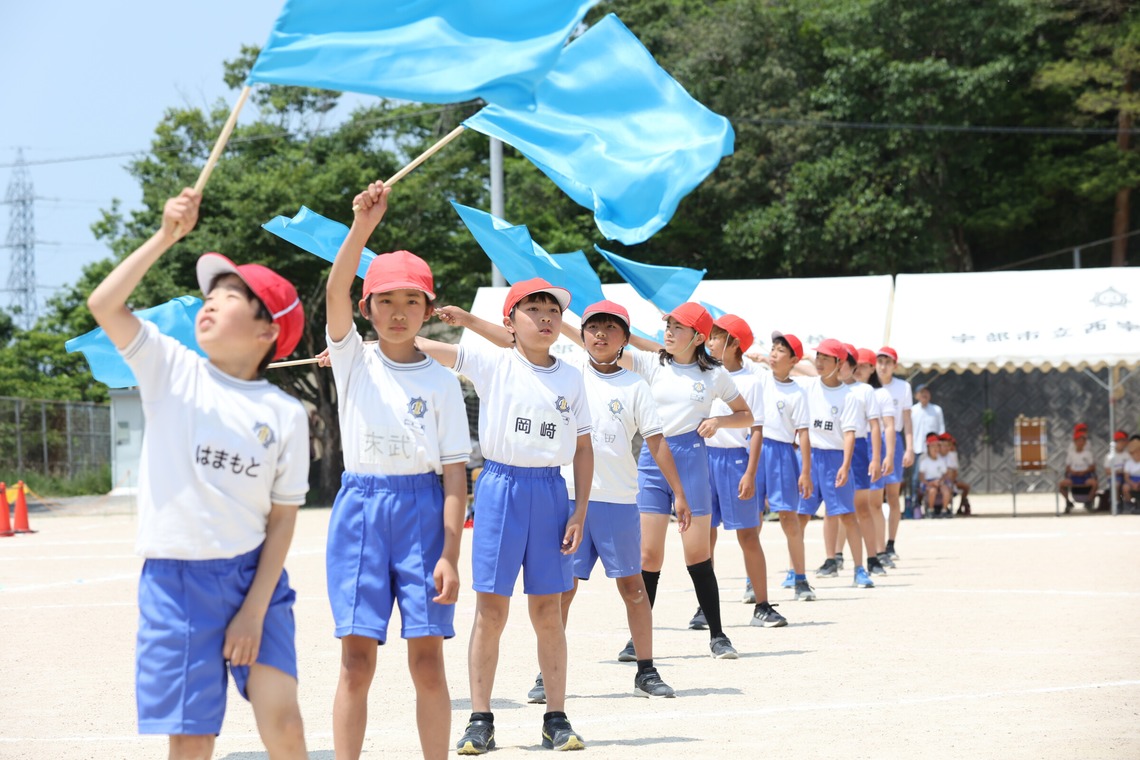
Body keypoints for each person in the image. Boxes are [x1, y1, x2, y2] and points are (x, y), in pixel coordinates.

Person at [86, 188, 310, 759]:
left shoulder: (284, 414)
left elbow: (282, 521)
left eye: (232, 296)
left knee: (283, 721)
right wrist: (165, 236)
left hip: (252, 579)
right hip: (175, 584)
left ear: (268, 333)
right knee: (192, 735)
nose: (209, 302)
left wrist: (254, 609)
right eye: (211, 292)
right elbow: (105, 305)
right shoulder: (170, 368)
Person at [436, 299, 687, 700]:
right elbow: (506, 342)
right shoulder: (558, 373)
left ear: (626, 339)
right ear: (582, 333)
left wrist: (678, 492)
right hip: (564, 498)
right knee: (553, 594)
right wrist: (463, 321)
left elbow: (653, 443)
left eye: (611, 328)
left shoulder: (626, 384)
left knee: (633, 588)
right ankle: (539, 680)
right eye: (593, 327)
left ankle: (645, 669)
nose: (601, 335)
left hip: (616, 500)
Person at [322, 181, 471, 760]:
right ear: (367, 310)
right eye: (385, 301)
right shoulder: (351, 360)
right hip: (360, 511)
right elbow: (336, 286)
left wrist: (450, 555)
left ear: (430, 311)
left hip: (422, 515)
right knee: (356, 660)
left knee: (427, 659)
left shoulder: (440, 382)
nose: (399, 312)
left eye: (412, 301)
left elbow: (456, 475)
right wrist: (363, 226)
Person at [416, 277, 592, 753]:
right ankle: (480, 719)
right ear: (509, 322)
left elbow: (582, 447)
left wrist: (579, 510)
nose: (544, 318)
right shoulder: (493, 364)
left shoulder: (573, 378)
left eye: (551, 310)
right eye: (532, 309)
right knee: (491, 610)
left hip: (551, 493)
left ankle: (555, 717)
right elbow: (426, 345)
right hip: (500, 487)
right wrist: (364, 347)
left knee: (548, 611)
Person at [562, 302, 753, 658]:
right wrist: (562, 325)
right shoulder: (650, 362)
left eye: (678, 328)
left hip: (692, 459)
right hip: (652, 460)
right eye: (667, 325)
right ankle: (638, 640)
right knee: (648, 555)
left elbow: (746, 416)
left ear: (698, 337)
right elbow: (600, 344)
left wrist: (718, 422)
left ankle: (717, 634)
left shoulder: (714, 375)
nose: (668, 332)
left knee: (697, 554)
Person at [704, 315, 787, 627]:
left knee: (748, 536)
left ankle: (762, 605)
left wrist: (751, 473)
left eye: (715, 337)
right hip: (705, 459)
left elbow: (756, 431)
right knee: (704, 537)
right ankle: (704, 607)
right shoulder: (704, 374)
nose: (709, 342)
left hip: (736, 461)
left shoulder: (752, 381)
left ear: (733, 342)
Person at [795, 340, 873, 590]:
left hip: (835, 458)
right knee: (800, 517)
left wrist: (846, 464)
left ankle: (860, 569)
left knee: (847, 515)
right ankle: (794, 571)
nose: (819, 361)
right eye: (818, 357)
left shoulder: (848, 396)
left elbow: (849, 433)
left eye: (826, 358)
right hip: (811, 457)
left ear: (839, 364)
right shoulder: (807, 386)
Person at [754, 332, 814, 601]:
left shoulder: (798, 392)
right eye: (774, 348)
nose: (774, 353)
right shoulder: (759, 378)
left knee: (789, 518)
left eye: (781, 351)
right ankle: (750, 581)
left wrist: (805, 472)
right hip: (755, 448)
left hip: (782, 454)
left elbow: (803, 435)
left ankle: (800, 579)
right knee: (752, 517)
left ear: (793, 360)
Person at [820, 344, 883, 579]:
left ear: (851, 365)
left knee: (860, 507)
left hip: (857, 449)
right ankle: (833, 557)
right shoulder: (823, 388)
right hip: (833, 450)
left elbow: (874, 426)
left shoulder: (863, 391)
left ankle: (872, 557)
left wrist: (876, 458)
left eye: (843, 361)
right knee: (832, 507)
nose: (839, 365)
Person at [874, 347, 913, 561]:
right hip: (871, 439)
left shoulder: (903, 387)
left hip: (894, 440)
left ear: (894, 365)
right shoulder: (869, 386)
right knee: (873, 495)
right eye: (880, 361)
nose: (883, 366)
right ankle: (876, 544)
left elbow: (907, 419)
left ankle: (891, 543)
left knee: (892, 494)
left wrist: (909, 448)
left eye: (887, 362)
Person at [909, 384, 945, 499]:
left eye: (927, 392)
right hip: (917, 448)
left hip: (933, 449)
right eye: (921, 392)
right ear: (916, 395)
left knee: (936, 475)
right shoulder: (912, 410)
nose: (924, 395)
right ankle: (915, 502)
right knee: (916, 477)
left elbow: (941, 429)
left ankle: (934, 504)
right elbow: (908, 430)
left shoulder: (936, 410)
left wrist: (940, 447)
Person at [1060, 425, 1097, 513]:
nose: (1081, 442)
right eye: (1079, 440)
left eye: (1083, 440)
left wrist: (1084, 471)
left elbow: (1092, 465)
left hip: (1085, 476)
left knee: (1094, 483)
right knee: (1061, 484)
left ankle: (1089, 502)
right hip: (1074, 476)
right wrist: (1072, 472)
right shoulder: (1071, 451)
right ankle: (1068, 502)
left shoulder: (1088, 451)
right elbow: (1068, 466)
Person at [938, 433, 972, 516]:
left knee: (965, 487)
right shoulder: (937, 455)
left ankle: (961, 506)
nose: (950, 447)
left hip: (950, 480)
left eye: (950, 445)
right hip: (939, 480)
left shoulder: (952, 456)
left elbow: (955, 472)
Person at [918, 433, 951, 517]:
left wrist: (941, 481)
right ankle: (930, 509)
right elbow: (921, 476)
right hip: (929, 482)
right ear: (928, 448)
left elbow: (945, 473)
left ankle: (944, 510)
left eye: (937, 446)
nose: (935, 449)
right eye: (933, 446)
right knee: (932, 491)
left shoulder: (941, 460)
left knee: (946, 490)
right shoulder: (925, 461)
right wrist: (929, 483)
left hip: (939, 481)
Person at [1122, 436, 1140, 513]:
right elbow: (1126, 477)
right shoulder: (1128, 463)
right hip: (1132, 481)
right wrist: (1133, 484)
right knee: (1125, 487)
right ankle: (1130, 505)